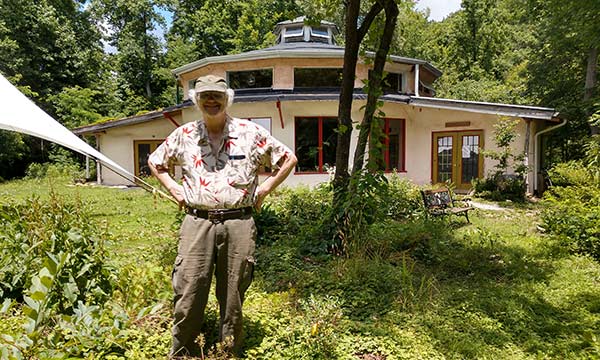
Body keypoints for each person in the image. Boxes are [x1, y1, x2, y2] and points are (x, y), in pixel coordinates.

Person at [147, 74, 297, 357]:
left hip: (238, 222)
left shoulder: (250, 133)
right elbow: (156, 162)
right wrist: (174, 189)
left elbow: (288, 158)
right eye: (205, 96)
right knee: (189, 289)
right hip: (196, 222)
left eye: (217, 95)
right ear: (197, 101)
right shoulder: (184, 135)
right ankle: (183, 353)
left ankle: (227, 352)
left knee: (233, 295)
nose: (211, 101)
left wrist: (264, 189)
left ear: (227, 99)